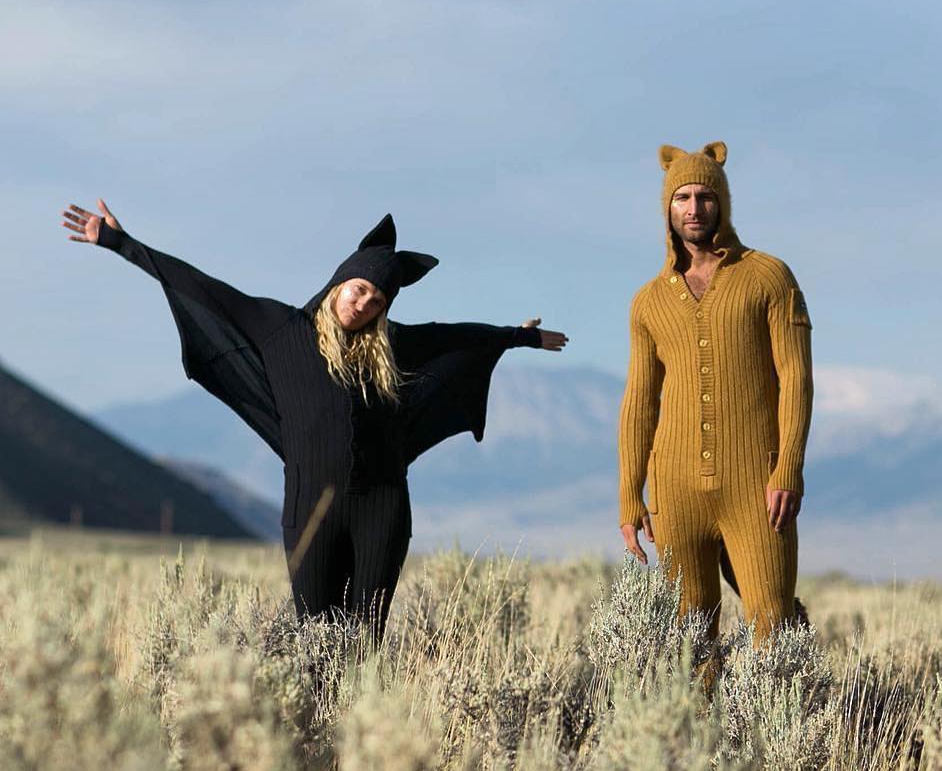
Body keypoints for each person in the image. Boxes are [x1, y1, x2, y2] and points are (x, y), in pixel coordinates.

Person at [61, 200, 568, 640]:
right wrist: (119, 243)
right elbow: (202, 287)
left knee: (363, 646)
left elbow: (454, 336)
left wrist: (517, 337)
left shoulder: (391, 347)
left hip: (382, 513)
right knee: (313, 646)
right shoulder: (282, 329)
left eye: (377, 300)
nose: (364, 303)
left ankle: (361, 746)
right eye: (360, 289)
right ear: (340, 281)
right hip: (310, 513)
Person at [618, 143, 812, 642]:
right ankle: (696, 724)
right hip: (674, 492)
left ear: (721, 202)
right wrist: (628, 496)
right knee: (689, 635)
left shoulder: (768, 277)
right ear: (668, 208)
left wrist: (788, 466)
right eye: (682, 197)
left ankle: (782, 720)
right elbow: (640, 402)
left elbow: (795, 377)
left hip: (756, 487)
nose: (694, 208)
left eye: (705, 196)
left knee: (774, 624)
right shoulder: (649, 301)